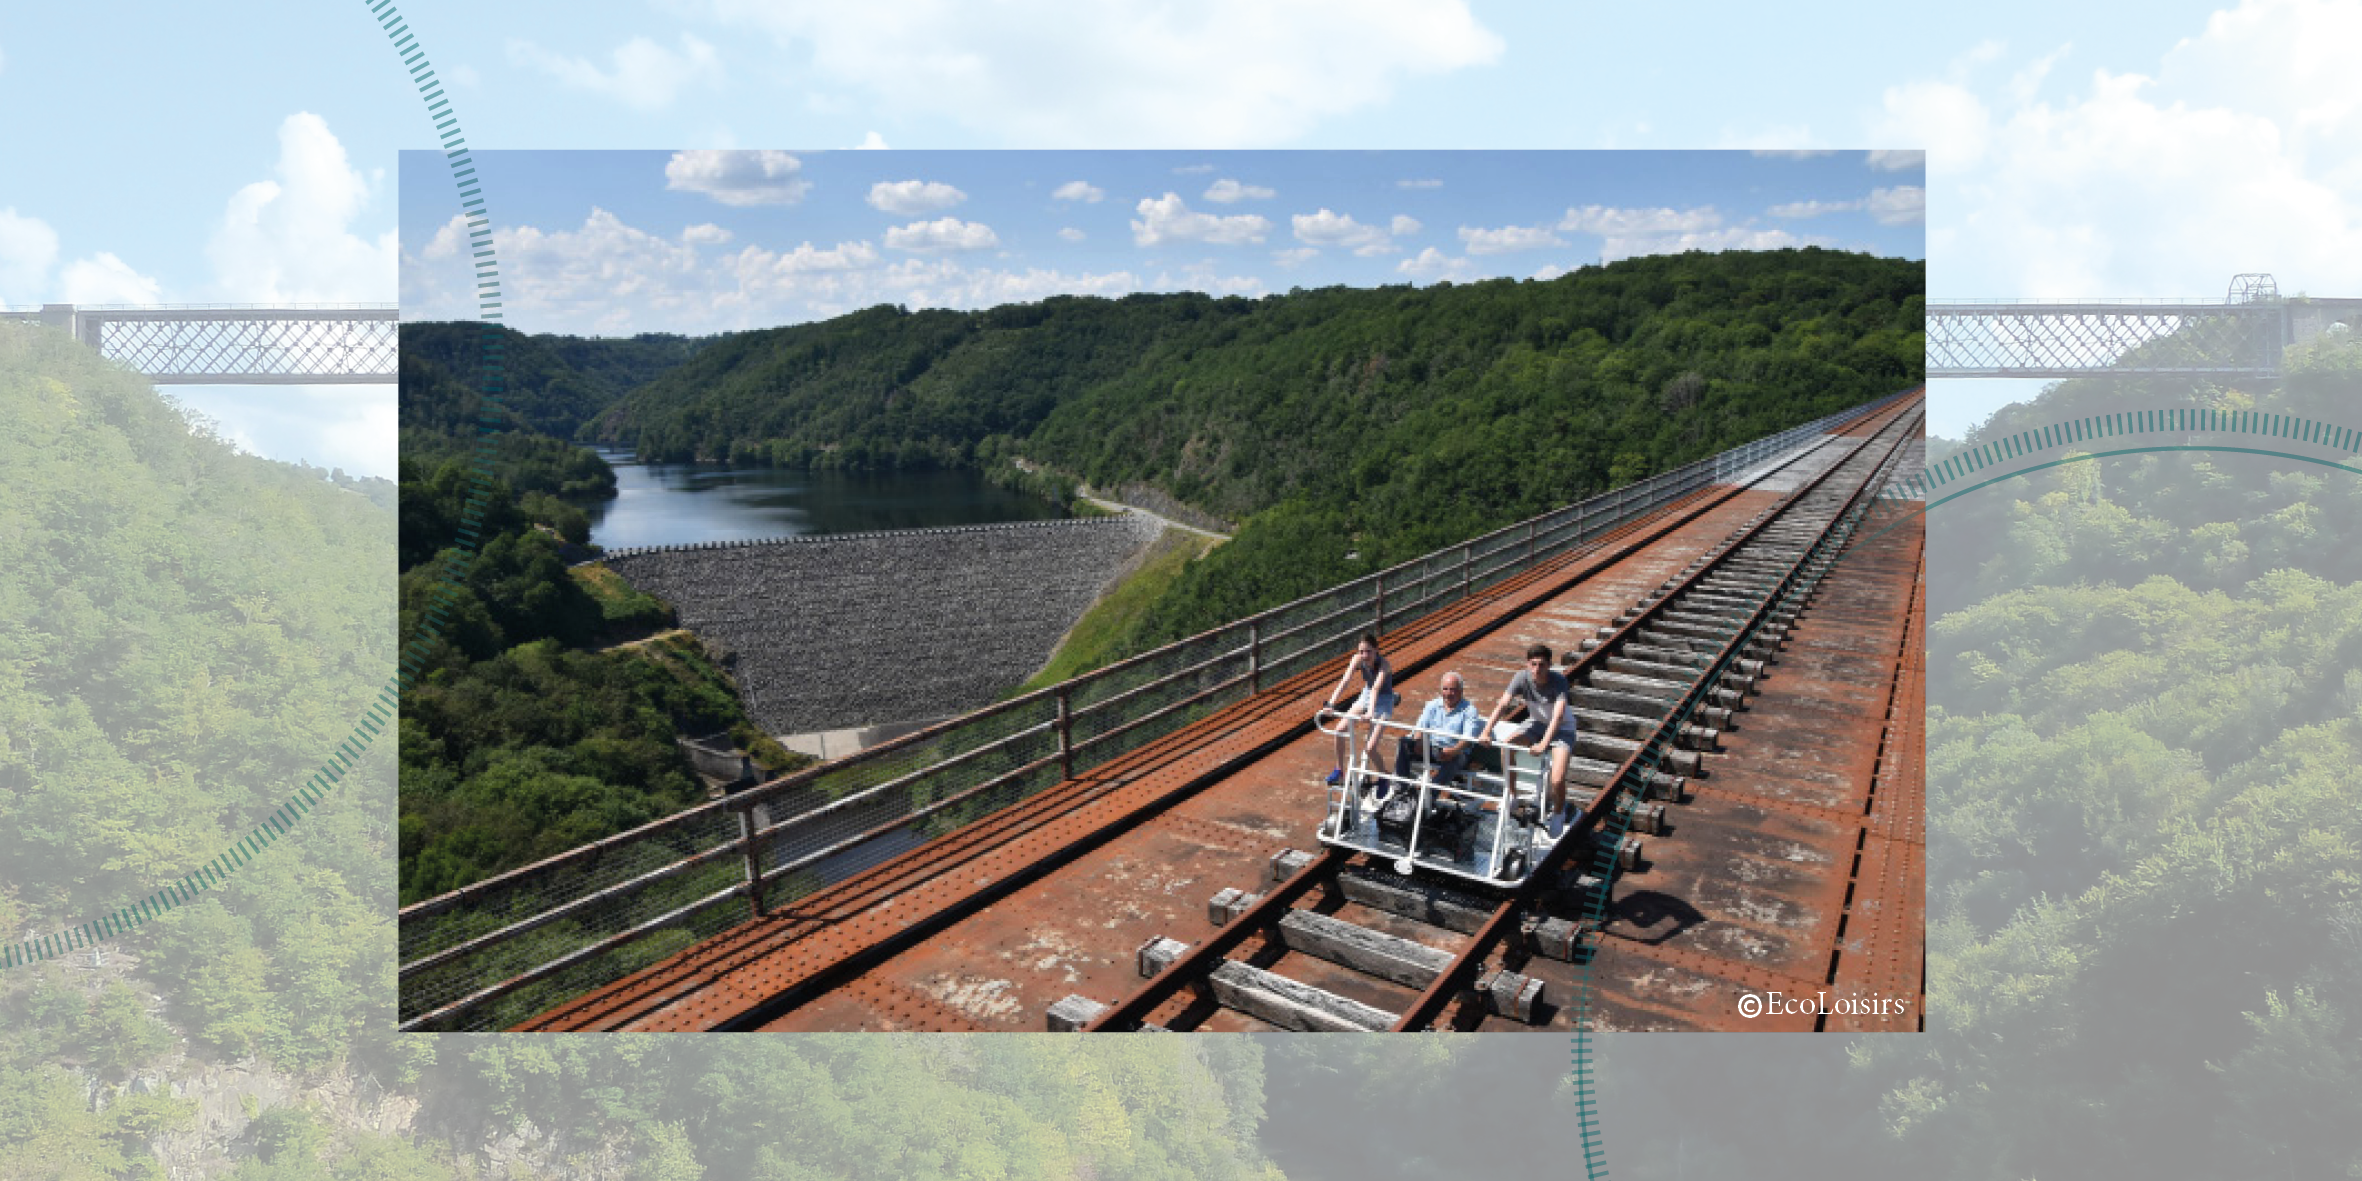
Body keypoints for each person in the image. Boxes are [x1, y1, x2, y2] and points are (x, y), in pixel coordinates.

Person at [1477, 643, 1579, 838]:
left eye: (1541, 665)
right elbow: (1503, 704)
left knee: (1557, 778)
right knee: (1507, 748)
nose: (1537, 669)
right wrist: (1487, 731)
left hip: (1562, 728)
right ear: (1527, 664)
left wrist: (1543, 744)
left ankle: (1558, 812)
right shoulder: (1521, 678)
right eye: (1533, 664)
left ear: (1549, 665)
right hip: (1536, 723)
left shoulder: (1558, 681)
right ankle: (1513, 795)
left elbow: (1557, 717)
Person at [1320, 633, 1397, 796]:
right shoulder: (1357, 660)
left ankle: (1383, 776)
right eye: (1361, 651)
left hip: (1383, 701)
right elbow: (1346, 680)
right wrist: (1331, 703)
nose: (1364, 655)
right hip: (1366, 695)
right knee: (1340, 729)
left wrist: (1370, 712)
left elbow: (1377, 687)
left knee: (1370, 748)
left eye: (1368, 651)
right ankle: (1340, 771)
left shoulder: (1384, 664)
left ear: (1376, 650)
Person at [1394, 670, 1485, 786]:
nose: (1448, 693)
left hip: (1455, 752)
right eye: (1445, 689)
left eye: (1453, 689)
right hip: (1432, 749)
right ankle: (1399, 788)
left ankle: (1431, 794)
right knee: (1404, 743)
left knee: (1455, 758)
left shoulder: (1469, 710)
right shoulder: (1432, 705)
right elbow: (1420, 727)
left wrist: (1454, 750)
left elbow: (1467, 739)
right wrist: (1418, 741)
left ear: (1461, 691)